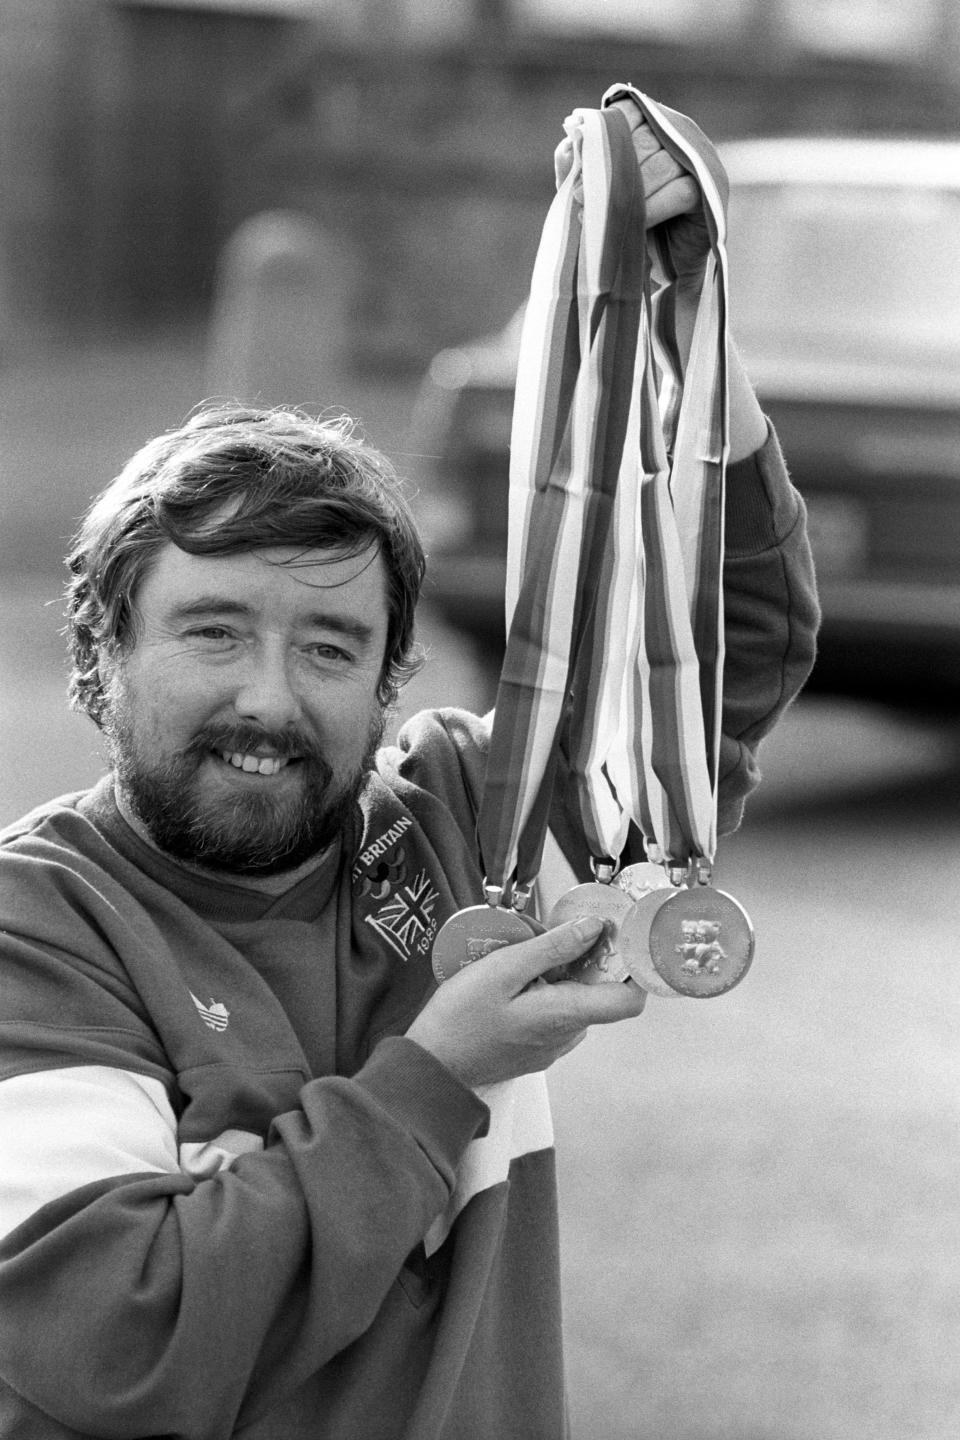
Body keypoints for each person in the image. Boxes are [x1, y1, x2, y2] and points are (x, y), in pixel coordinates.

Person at [0, 99, 819, 1440]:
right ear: (99, 659)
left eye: (331, 647)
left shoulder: (459, 822)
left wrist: (690, 349)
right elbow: (115, 1338)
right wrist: (442, 1072)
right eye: (214, 633)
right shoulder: (38, 926)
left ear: (391, 684)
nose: (269, 698)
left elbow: (707, 668)